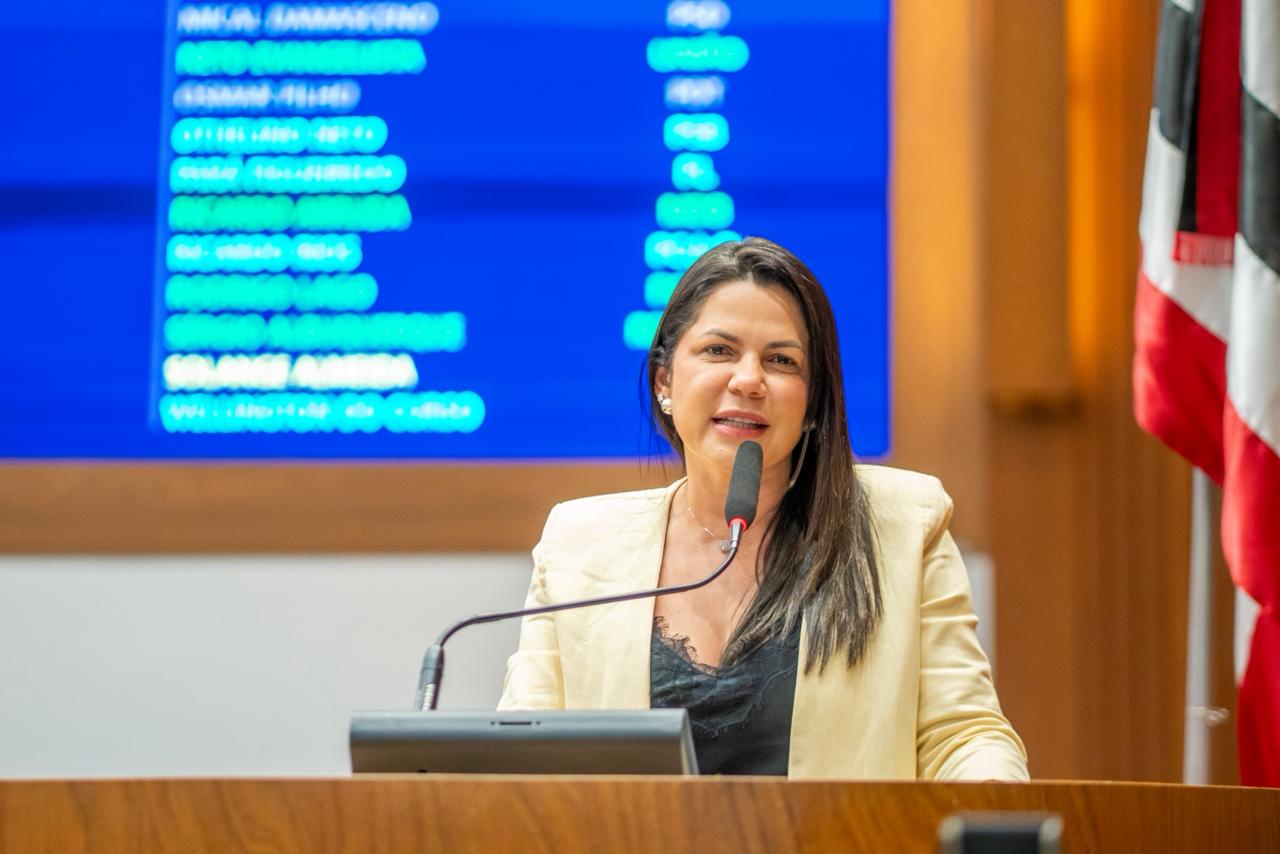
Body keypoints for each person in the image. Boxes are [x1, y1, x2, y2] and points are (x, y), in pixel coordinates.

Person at [498, 237, 1028, 780]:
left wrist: (998, 811)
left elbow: (960, 736)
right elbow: (526, 758)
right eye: (718, 351)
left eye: (781, 360)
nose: (748, 380)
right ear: (665, 381)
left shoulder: (903, 525)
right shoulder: (580, 543)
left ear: (813, 400)